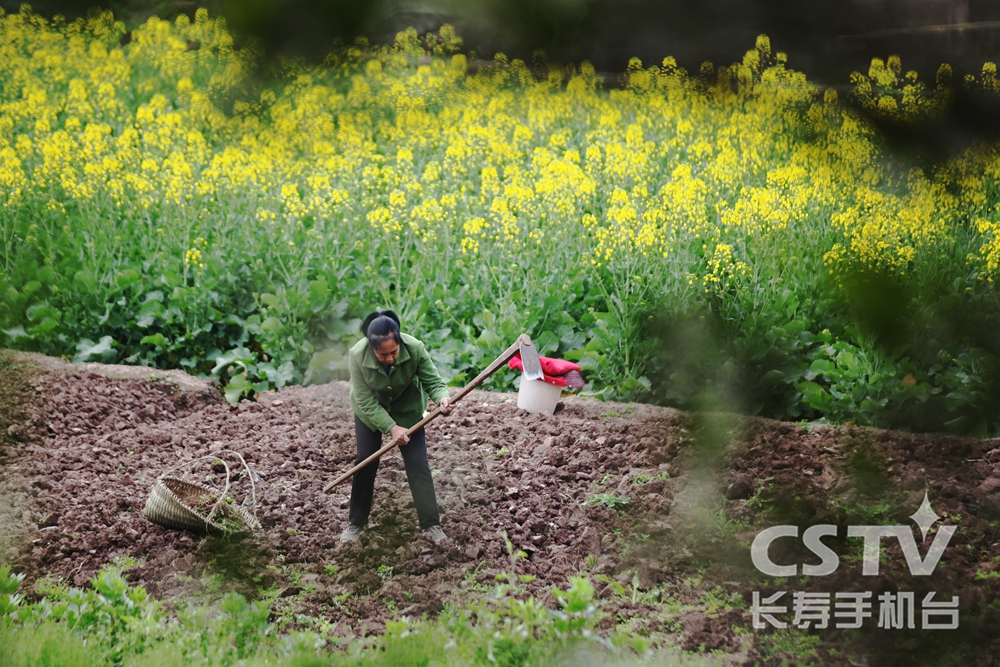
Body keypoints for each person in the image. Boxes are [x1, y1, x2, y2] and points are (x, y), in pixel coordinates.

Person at [342, 309, 453, 544]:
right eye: (383, 355)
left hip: (407, 411)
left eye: (394, 352)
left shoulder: (415, 348)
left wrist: (443, 398)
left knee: (418, 464)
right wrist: (391, 428)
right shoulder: (357, 355)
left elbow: (433, 381)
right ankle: (356, 523)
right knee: (366, 460)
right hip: (370, 412)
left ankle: (431, 525)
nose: (390, 358)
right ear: (372, 348)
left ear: (400, 342)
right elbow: (364, 400)